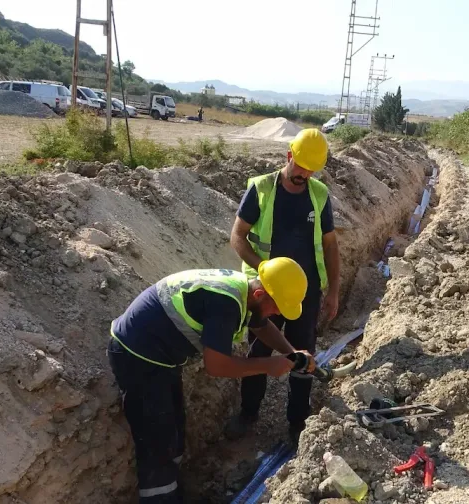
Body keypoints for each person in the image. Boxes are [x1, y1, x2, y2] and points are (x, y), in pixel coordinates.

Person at [107, 258, 315, 503]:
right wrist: (268, 366)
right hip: (137, 357)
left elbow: (261, 325)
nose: (278, 314)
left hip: (161, 359)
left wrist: (292, 353)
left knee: (173, 430)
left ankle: (173, 490)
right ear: (260, 294)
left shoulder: (246, 292)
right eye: (277, 307)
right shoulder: (225, 303)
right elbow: (216, 366)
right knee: (157, 444)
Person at [224, 128, 341, 444]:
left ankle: (298, 423)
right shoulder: (261, 189)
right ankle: (248, 414)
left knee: (303, 355)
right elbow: (237, 236)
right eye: (301, 166)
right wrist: (261, 269)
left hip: (305, 292)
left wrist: (333, 291)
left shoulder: (318, 195)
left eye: (311, 169)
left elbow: (330, 245)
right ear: (289, 156)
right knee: (256, 352)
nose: (304, 174)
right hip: (268, 289)